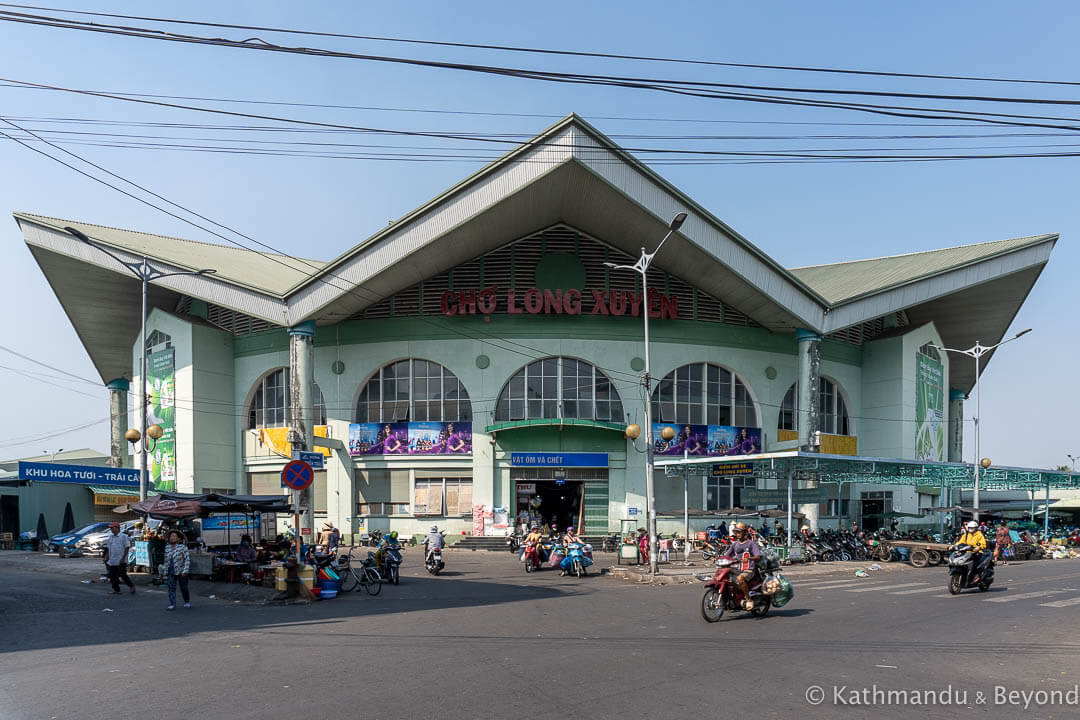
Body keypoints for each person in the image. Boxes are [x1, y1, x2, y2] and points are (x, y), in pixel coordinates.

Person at [722, 522, 763, 610]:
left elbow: (758, 556)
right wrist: (717, 558)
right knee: (723, 575)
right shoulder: (735, 544)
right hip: (738, 569)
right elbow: (727, 555)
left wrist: (749, 559)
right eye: (736, 532)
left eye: (739, 532)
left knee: (740, 578)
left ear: (745, 532)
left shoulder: (751, 543)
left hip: (749, 569)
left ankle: (748, 599)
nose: (737, 534)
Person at [103, 522, 135, 595]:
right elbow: (109, 547)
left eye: (112, 528)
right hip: (112, 559)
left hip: (121, 559)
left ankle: (131, 586)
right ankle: (116, 589)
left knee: (123, 574)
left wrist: (123, 558)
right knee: (112, 576)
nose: (111, 529)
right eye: (110, 528)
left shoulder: (123, 536)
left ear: (117, 528)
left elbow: (127, 547)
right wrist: (107, 556)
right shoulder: (111, 536)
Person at [163, 530, 191, 610]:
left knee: (183, 588)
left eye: (174, 536)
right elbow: (166, 560)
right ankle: (172, 604)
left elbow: (187, 559)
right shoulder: (167, 547)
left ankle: (186, 601)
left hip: (181, 571)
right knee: (171, 588)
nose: (172, 538)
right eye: (171, 536)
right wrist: (165, 571)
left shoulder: (182, 547)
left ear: (178, 539)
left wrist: (185, 571)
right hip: (170, 571)